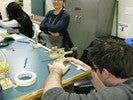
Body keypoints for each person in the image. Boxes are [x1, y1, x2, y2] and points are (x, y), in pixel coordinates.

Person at [42, 39, 133, 100]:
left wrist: (55, 71)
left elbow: (51, 97)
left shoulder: (121, 95)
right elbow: (107, 93)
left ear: (105, 73)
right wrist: (90, 72)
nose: (94, 70)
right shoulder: (126, 86)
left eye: (95, 68)